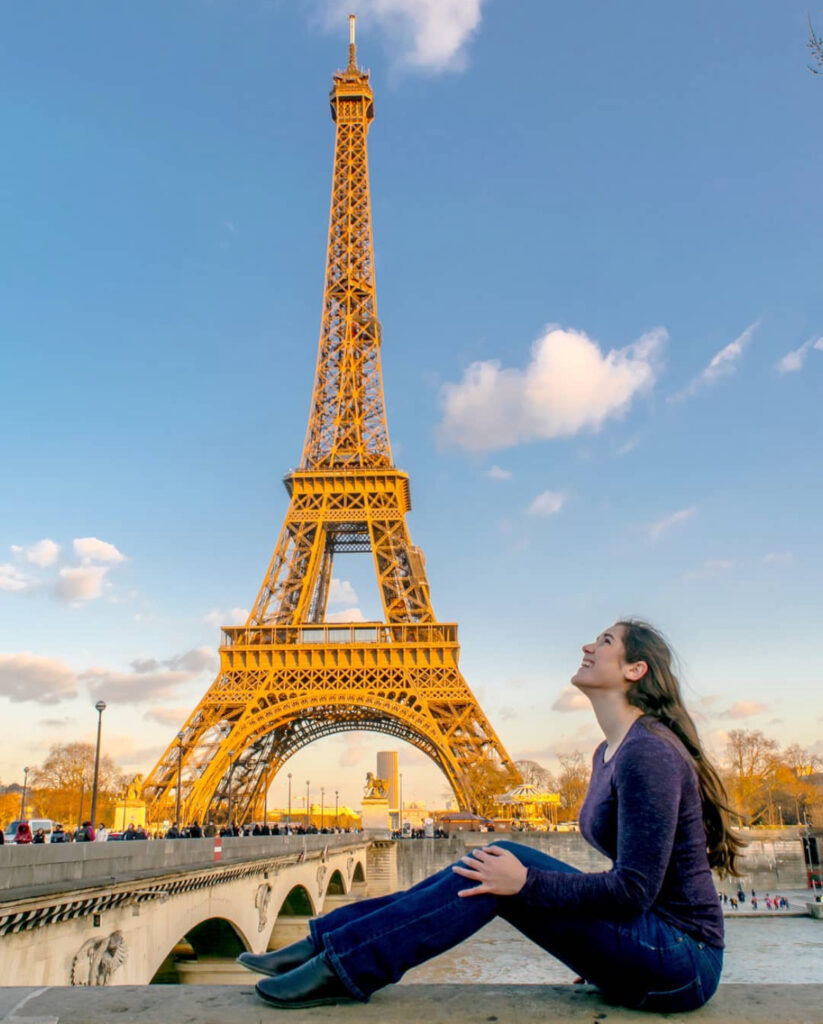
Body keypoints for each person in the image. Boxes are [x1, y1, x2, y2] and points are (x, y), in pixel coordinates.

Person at [239, 620, 742, 1013]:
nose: (588, 647)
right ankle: (326, 945)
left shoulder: (648, 753)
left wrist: (526, 884)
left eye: (605, 641)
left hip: (683, 961)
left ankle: (340, 963)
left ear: (635, 670)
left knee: (502, 870)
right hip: (652, 945)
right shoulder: (610, 751)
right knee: (494, 864)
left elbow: (635, 890)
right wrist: (598, 948)